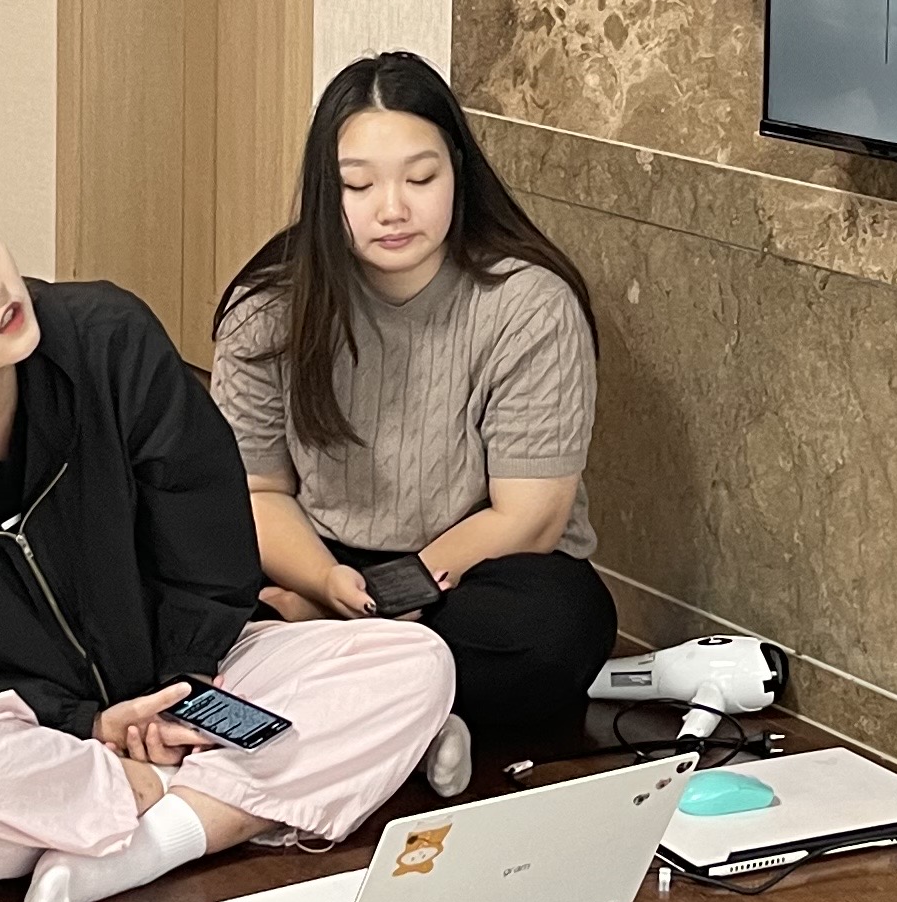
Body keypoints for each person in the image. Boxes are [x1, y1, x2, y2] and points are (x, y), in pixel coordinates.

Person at [0, 164, 460, 902]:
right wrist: (86, 725)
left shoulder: (106, 341)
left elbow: (206, 540)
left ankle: (144, 843)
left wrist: (178, 683)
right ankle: (224, 797)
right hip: (19, 731)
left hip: (170, 674)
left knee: (413, 664)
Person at [209, 53, 619, 751]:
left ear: (457, 170)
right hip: (316, 556)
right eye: (358, 185)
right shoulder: (269, 306)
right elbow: (256, 492)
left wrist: (379, 601)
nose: (392, 209)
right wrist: (323, 582)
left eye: (420, 178)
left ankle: (320, 687)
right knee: (167, 593)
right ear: (326, 189)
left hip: (471, 570)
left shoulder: (529, 305)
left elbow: (529, 519)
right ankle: (413, 716)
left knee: (555, 629)